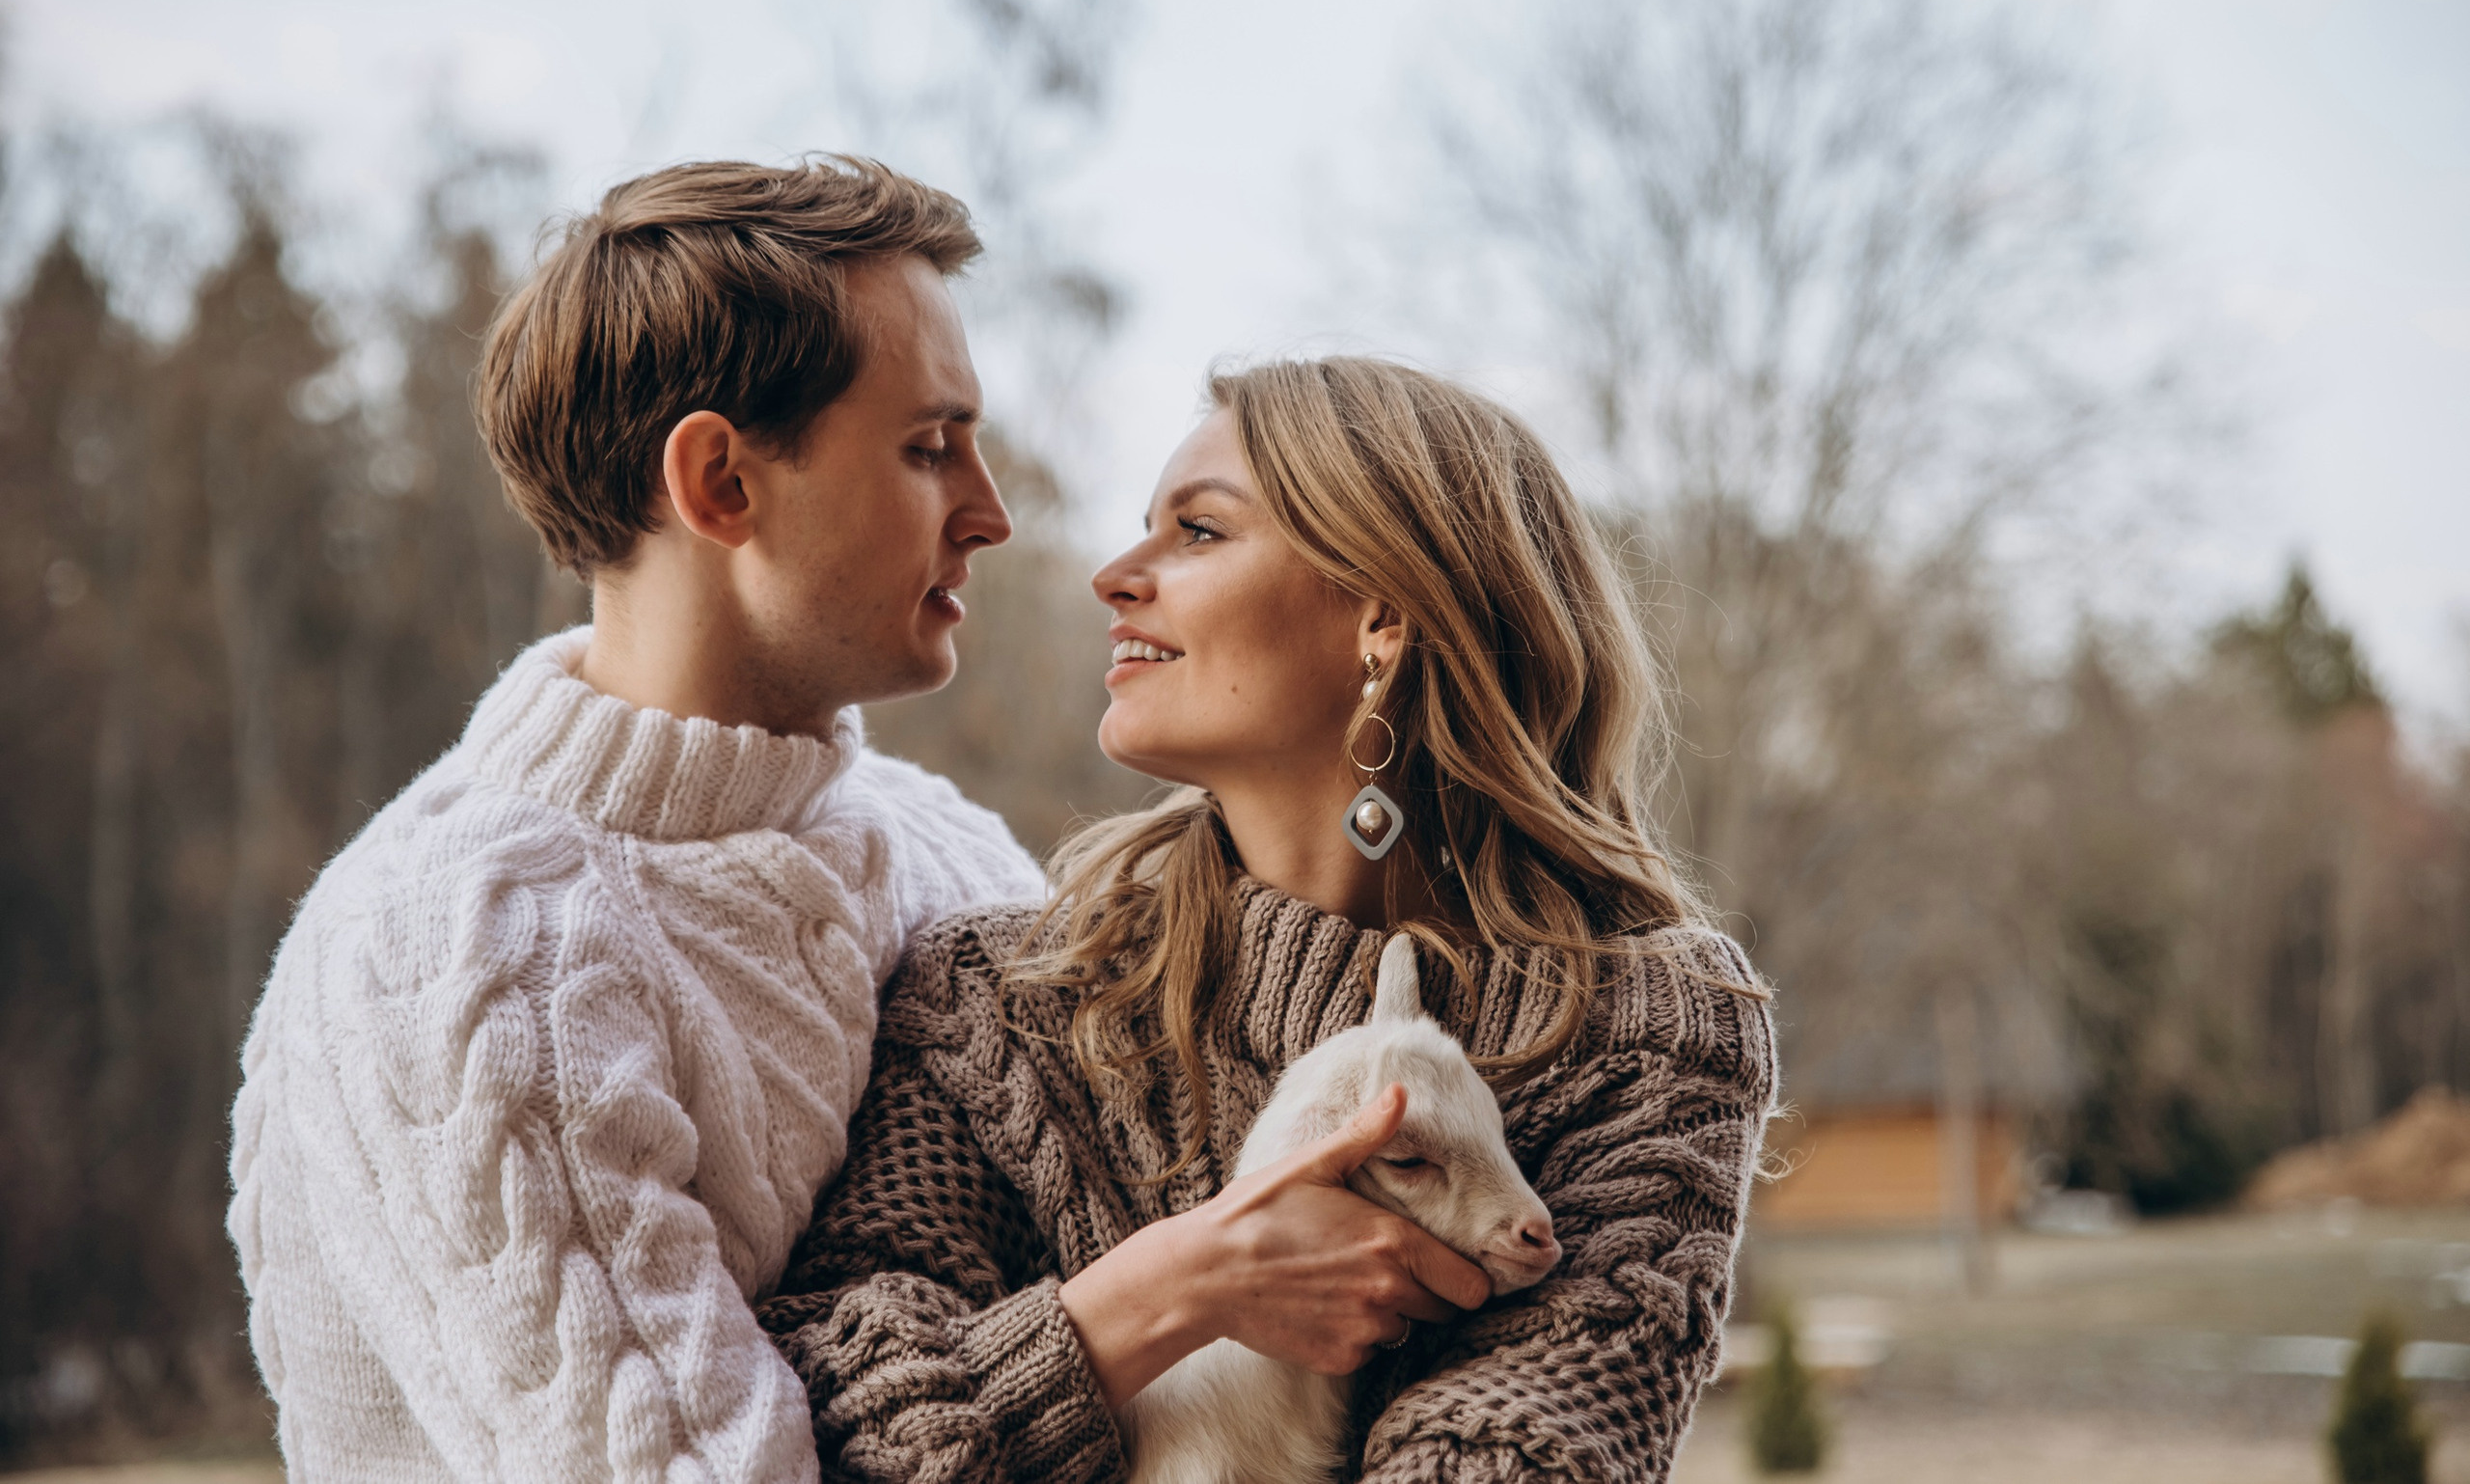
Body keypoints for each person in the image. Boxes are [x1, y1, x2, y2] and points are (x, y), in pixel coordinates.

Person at [760, 356, 1778, 1480]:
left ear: (1382, 615)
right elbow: (811, 1425)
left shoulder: (1648, 1025)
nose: (1115, 575)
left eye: (1197, 531)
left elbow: (1518, 1454)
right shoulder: (1000, 998)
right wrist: (1172, 1288)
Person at [227, 157, 1049, 1481]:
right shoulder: (458, 954)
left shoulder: (959, 854)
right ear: (721, 480)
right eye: (926, 446)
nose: (990, 510)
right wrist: (1118, 1330)